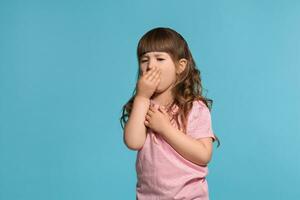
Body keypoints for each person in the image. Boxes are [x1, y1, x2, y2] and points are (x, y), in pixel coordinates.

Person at [120, 27, 221, 200]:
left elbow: (204, 155)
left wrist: (165, 128)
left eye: (160, 59)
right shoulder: (142, 105)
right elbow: (133, 142)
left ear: (180, 66)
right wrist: (142, 97)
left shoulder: (194, 107)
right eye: (144, 60)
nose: (150, 66)